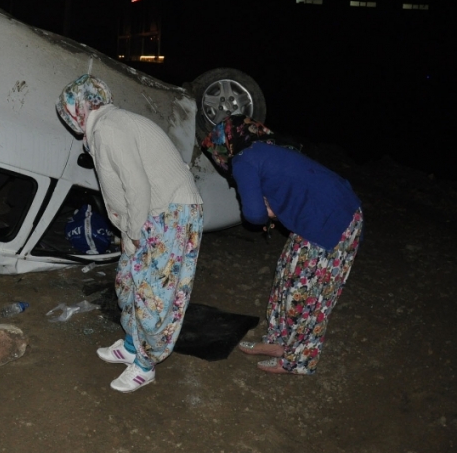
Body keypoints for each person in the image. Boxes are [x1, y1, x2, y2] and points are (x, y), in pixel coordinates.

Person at [55, 74, 204, 392]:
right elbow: (121, 190)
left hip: (172, 212)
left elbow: (137, 185)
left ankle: (146, 365)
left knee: (155, 296)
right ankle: (132, 345)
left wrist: (133, 232)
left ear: (82, 105)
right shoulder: (101, 129)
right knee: (127, 281)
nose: (67, 117)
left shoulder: (109, 127)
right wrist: (127, 232)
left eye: (68, 109)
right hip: (150, 212)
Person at [201, 115, 363, 375]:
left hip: (333, 219)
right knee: (287, 277)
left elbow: (254, 214)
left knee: (310, 294)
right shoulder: (263, 150)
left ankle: (298, 361)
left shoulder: (244, 160)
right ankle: (278, 342)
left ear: (222, 146)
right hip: (317, 214)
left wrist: (268, 211)